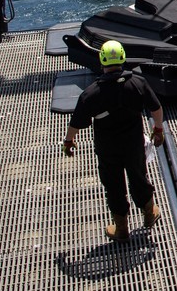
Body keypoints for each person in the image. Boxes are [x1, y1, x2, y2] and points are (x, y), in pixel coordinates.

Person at [61, 40, 165, 242]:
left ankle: (121, 228)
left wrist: (68, 141)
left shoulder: (91, 93)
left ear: (102, 61)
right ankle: (149, 212)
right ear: (123, 58)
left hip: (107, 149)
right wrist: (158, 130)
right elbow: (156, 108)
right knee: (138, 176)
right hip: (133, 145)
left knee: (113, 185)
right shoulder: (138, 83)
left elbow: (76, 123)